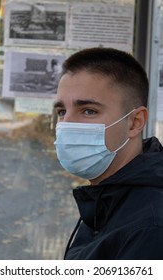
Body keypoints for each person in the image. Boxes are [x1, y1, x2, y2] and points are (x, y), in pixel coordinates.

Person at [53, 47, 163, 260]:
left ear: (135, 122)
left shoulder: (150, 228)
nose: (66, 125)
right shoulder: (106, 199)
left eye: (88, 111)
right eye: (62, 112)